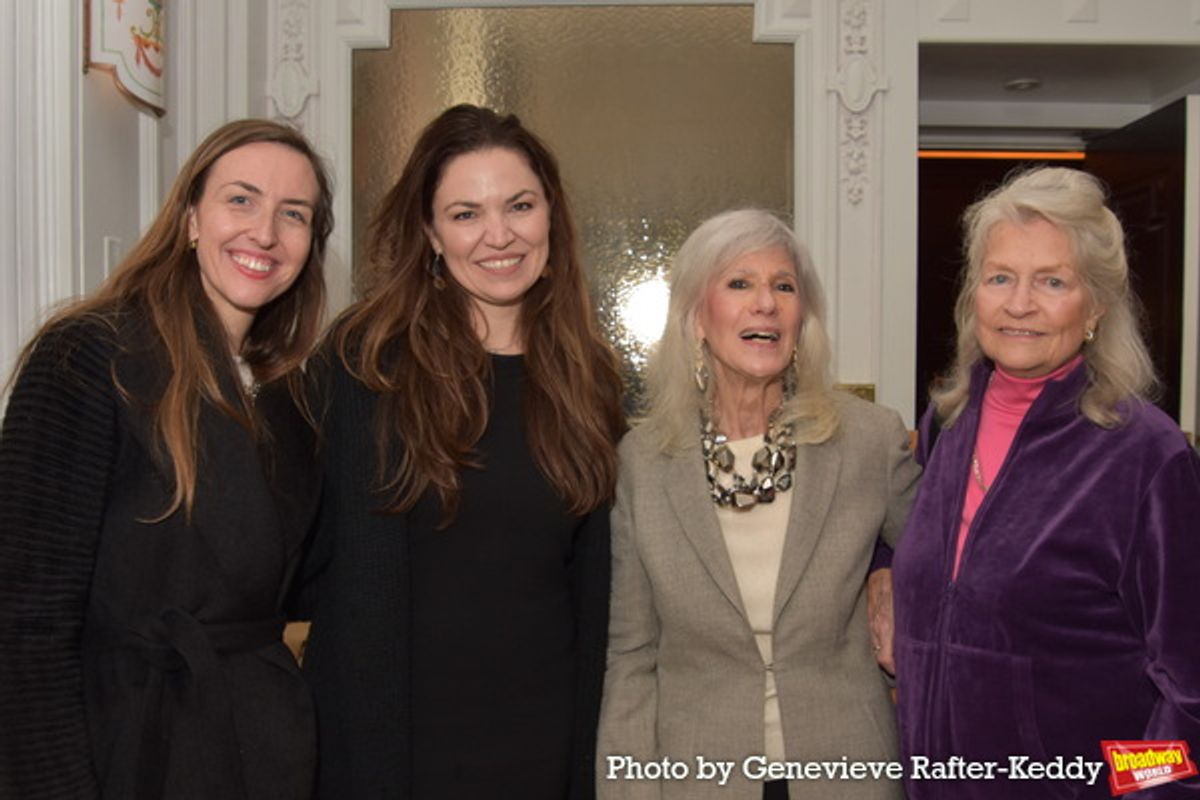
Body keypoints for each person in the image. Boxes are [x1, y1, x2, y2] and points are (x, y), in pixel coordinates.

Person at [297, 104, 626, 799]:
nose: (498, 235)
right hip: (392, 749)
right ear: (430, 232)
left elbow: (595, 588)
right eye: (466, 213)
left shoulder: (588, 378)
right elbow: (307, 555)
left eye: (519, 205)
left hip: (546, 747)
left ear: (550, 217)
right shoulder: (365, 364)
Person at [0, 118, 334, 799]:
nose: (265, 233)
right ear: (189, 218)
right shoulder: (90, 356)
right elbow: (22, 622)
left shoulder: (290, 400)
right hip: (121, 748)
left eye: (293, 214)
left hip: (259, 748)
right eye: (240, 199)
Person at [892, 167, 1200, 798]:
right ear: (973, 294)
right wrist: (878, 570)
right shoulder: (946, 426)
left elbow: (1190, 690)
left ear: (1096, 305)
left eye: (1052, 281)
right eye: (1000, 277)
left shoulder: (1146, 454)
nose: (1019, 304)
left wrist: (1139, 795)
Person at [596, 209, 920, 800]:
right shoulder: (643, 461)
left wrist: (891, 572)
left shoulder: (870, 439)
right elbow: (632, 654)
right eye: (740, 283)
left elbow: (955, 566)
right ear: (697, 317)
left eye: (784, 286)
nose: (765, 303)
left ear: (802, 317)